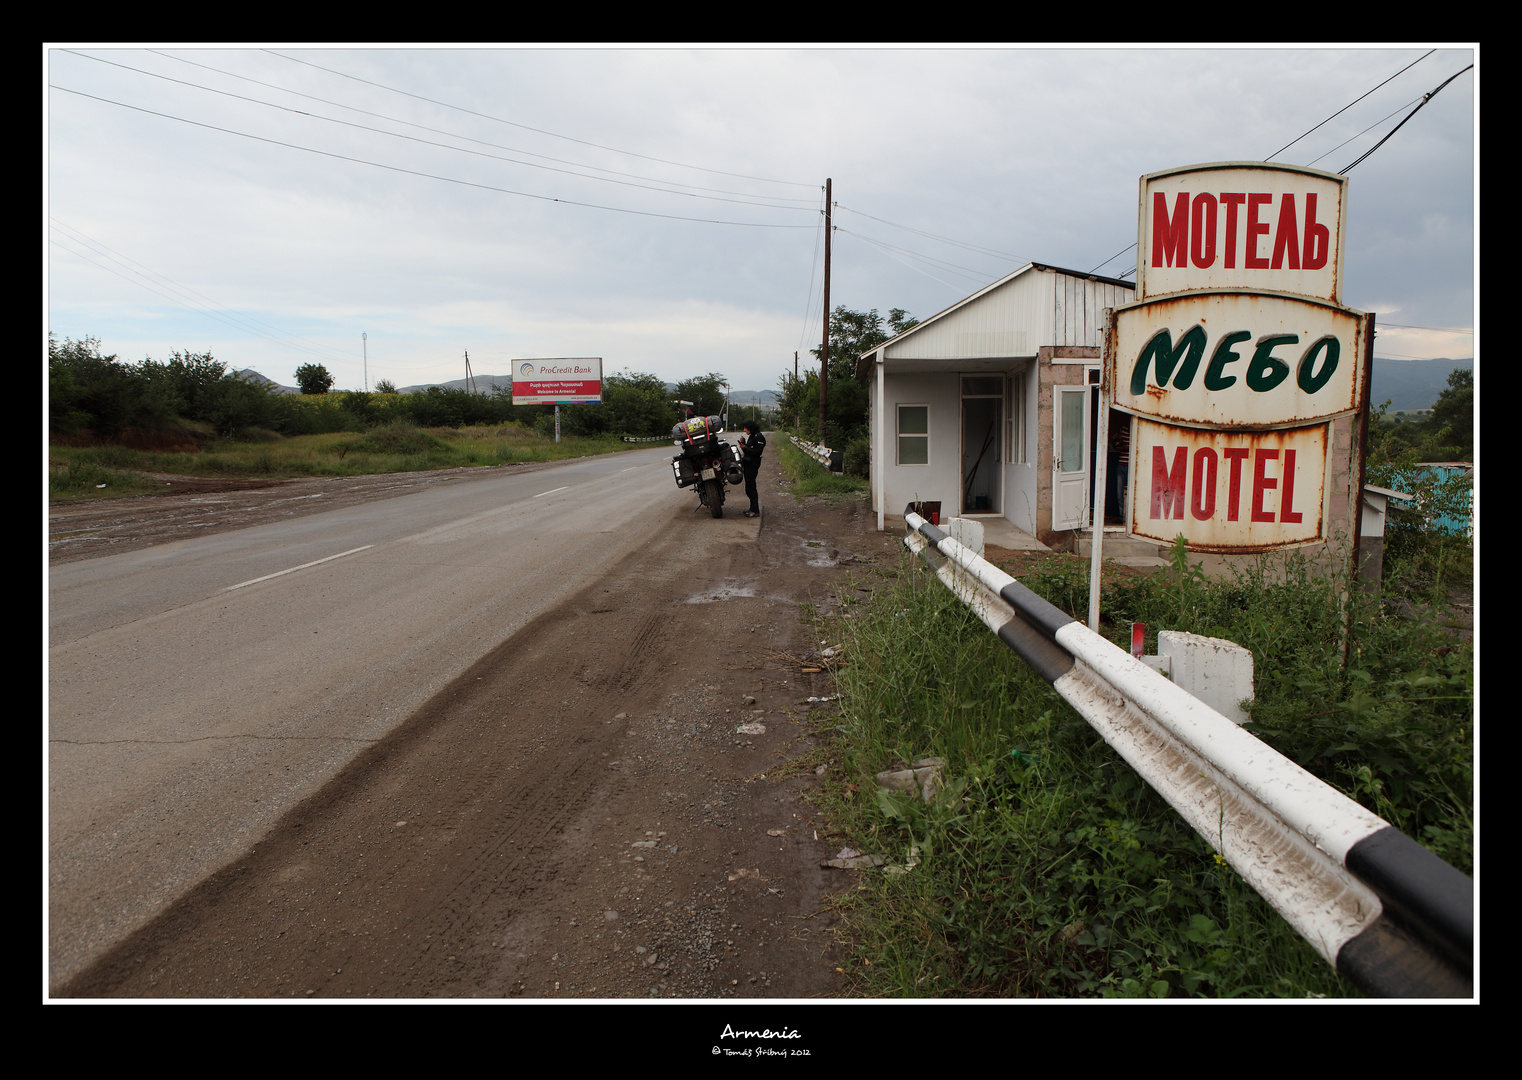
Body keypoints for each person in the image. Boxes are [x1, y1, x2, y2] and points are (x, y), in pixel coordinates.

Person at [738, 420, 766, 518]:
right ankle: (752, 508)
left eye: (746, 428)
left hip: (753, 465)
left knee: (751, 487)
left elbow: (757, 452)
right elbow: (750, 448)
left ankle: (755, 510)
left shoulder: (759, 437)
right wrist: (743, 444)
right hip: (748, 464)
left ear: (751, 428)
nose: (744, 430)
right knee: (748, 488)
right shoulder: (752, 436)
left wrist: (745, 448)